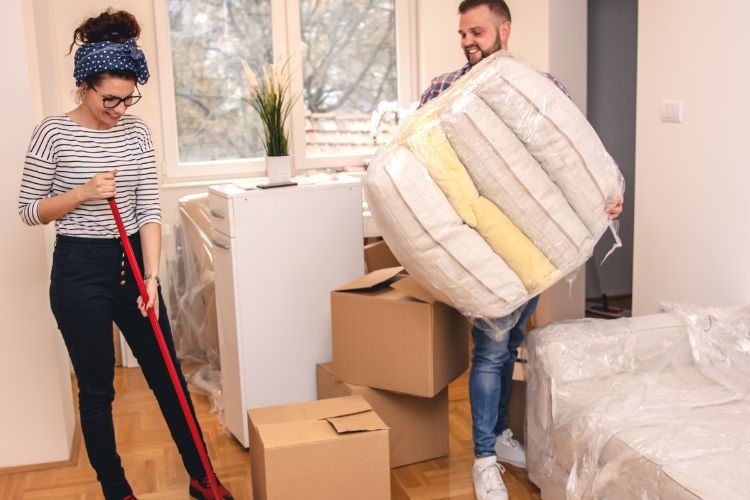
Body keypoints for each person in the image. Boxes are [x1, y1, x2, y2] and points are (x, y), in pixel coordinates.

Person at [17, 9, 232, 500]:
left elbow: (150, 208)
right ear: (84, 86)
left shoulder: (136, 134)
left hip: (135, 263)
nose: (119, 109)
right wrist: (82, 193)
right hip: (79, 270)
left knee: (168, 376)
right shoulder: (51, 133)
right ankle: (118, 491)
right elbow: (30, 211)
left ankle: (204, 478)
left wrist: (152, 278)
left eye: (127, 98)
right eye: (109, 98)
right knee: (97, 391)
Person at [419, 1, 624, 499]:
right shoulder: (443, 89)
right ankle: (485, 458)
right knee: (489, 349)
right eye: (463, 32)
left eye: (478, 30)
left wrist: (605, 195)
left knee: (511, 344)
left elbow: (573, 154)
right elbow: (419, 159)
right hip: (481, 245)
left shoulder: (543, 88)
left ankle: (499, 438)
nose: (468, 40)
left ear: (504, 30)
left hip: (533, 248)